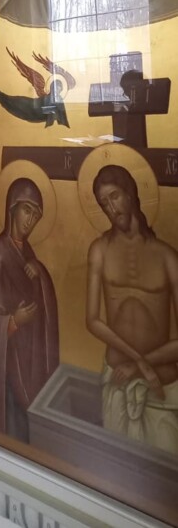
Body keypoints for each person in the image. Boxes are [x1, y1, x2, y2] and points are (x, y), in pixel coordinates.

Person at [87, 164, 178, 454]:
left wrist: (141, 366)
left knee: (165, 470)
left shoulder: (167, 257)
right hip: (117, 378)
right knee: (117, 464)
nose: (111, 208)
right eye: (104, 203)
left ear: (130, 193)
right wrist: (140, 362)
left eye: (114, 197)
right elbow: (92, 320)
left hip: (161, 386)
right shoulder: (99, 250)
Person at [0, 178, 59, 441]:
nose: (30, 221)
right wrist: (14, 321)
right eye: (27, 210)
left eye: (36, 215)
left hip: (30, 358)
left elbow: (40, 295)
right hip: (9, 360)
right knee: (16, 426)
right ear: (12, 208)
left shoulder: (27, 253)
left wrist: (40, 271)